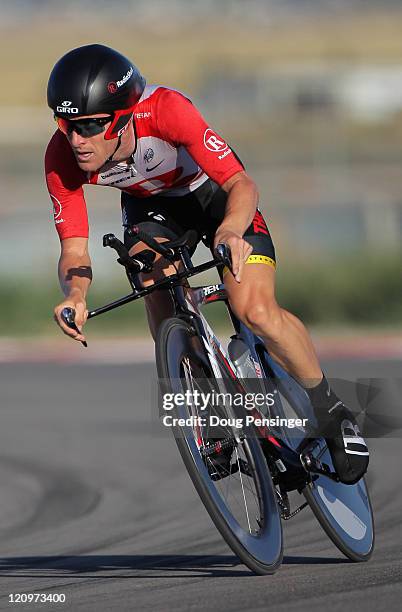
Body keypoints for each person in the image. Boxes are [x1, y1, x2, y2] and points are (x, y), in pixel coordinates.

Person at [45, 44, 369, 484]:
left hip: (217, 197)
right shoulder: (62, 156)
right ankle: (208, 405)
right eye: (66, 126)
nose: (76, 140)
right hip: (153, 208)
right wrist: (75, 295)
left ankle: (331, 410)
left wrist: (231, 230)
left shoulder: (166, 111)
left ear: (122, 119)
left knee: (254, 310)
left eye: (88, 126)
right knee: (152, 284)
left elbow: (241, 182)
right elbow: (75, 250)